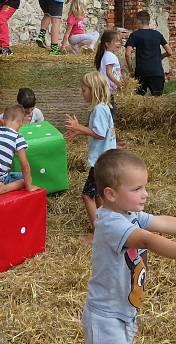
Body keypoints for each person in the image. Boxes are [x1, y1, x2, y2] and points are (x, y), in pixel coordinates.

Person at [82, 149, 176, 343]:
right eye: (136, 189)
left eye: (145, 187)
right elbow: (147, 240)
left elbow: (160, 221)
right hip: (106, 317)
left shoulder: (129, 214)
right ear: (111, 194)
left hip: (126, 310)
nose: (145, 194)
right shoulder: (110, 223)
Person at [65, 71, 117, 231]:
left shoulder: (99, 110)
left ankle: (98, 233)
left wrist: (78, 127)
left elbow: (100, 134)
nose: (82, 93)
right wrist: (79, 132)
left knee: (87, 195)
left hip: (100, 162)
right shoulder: (103, 107)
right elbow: (99, 131)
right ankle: (106, 225)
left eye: (84, 90)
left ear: (93, 90)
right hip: (107, 159)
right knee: (99, 196)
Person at [0, 105, 39, 195]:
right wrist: (29, 186)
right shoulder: (17, 137)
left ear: (3, 120)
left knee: (11, 173)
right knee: (25, 179)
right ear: (21, 122)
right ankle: (2, 189)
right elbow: (25, 165)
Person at [124, 11, 173, 96]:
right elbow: (170, 52)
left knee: (138, 101)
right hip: (157, 72)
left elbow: (127, 54)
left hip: (141, 73)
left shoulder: (135, 35)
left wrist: (131, 70)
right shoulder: (157, 34)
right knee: (157, 101)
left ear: (139, 21)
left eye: (136, 21)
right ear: (148, 21)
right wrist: (161, 56)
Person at [96, 30, 123, 116]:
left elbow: (115, 70)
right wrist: (117, 82)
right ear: (107, 44)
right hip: (108, 89)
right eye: (116, 41)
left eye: (120, 41)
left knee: (108, 108)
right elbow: (109, 73)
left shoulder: (108, 55)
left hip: (107, 89)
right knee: (110, 110)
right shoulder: (109, 56)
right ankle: (110, 127)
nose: (119, 43)